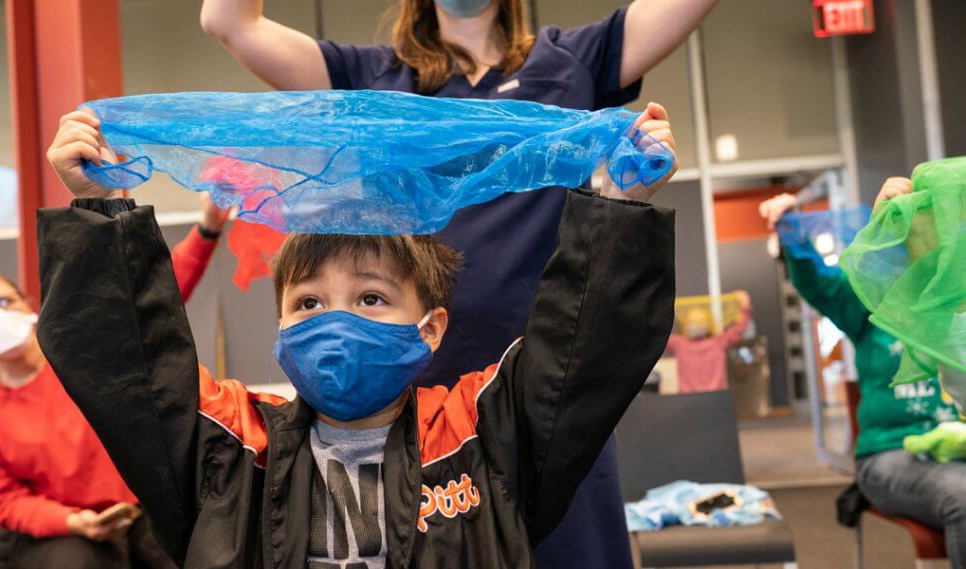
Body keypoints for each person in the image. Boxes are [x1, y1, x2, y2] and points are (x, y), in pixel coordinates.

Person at [34, 102, 676, 568]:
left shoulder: (486, 438)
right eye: (309, 302)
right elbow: (129, 367)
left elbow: (581, 353)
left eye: (371, 297)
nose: (336, 321)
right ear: (280, 325)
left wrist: (619, 208)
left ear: (431, 327)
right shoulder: (230, 449)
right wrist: (97, 208)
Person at [199, 0, 715, 564]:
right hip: (419, 416)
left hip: (549, 395)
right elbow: (228, 23)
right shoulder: (372, 77)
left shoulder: (573, 60)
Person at [0, 196, 229, 568]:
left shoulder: (79, 355)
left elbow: (149, 302)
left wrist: (207, 230)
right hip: (55, 532)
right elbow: (1, 498)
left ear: (29, 306)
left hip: (134, 512)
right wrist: (70, 521)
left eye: (5, 301)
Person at [760, 181, 966, 565]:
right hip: (889, 456)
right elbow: (817, 282)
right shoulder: (878, 301)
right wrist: (790, 226)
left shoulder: (959, 303)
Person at [666, 291, 752, 393]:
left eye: (699, 321)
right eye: (693, 322)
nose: (696, 325)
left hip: (694, 399)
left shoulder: (679, 344)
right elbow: (740, 326)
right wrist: (744, 305)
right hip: (712, 398)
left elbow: (657, 334)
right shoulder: (718, 341)